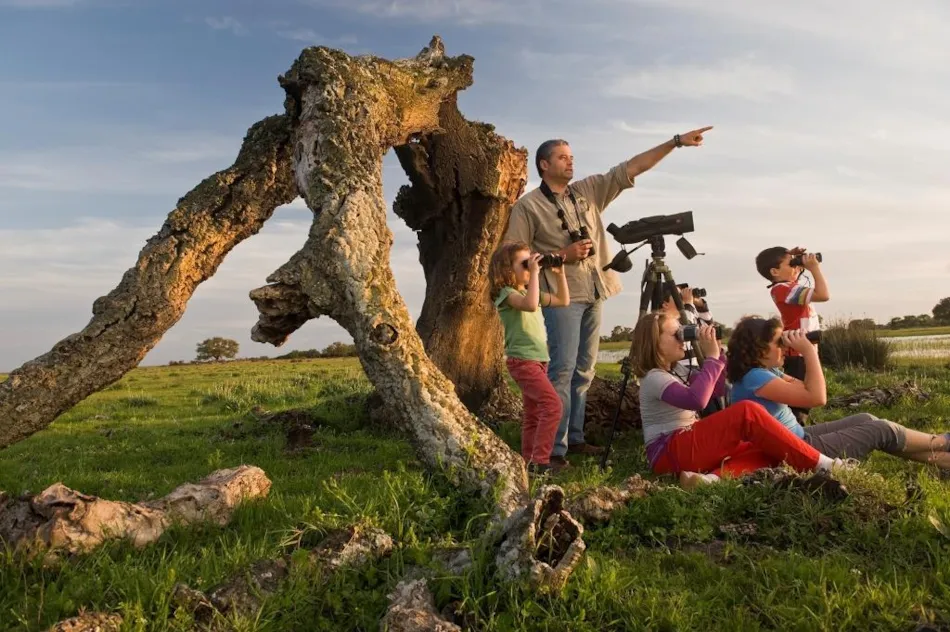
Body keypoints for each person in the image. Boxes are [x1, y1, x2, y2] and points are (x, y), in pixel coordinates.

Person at [504, 127, 714, 468]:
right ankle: (553, 451)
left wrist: (675, 143)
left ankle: (575, 438)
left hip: (597, 287)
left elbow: (631, 168)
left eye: (572, 157)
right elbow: (516, 256)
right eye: (562, 157)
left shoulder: (587, 190)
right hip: (562, 295)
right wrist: (562, 256)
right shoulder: (527, 207)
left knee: (585, 370)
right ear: (543, 164)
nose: (570, 162)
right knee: (562, 369)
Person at [632, 312, 847, 488]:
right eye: (676, 334)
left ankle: (710, 480)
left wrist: (723, 354)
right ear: (654, 342)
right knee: (746, 411)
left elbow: (715, 389)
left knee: (767, 447)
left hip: (684, 446)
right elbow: (697, 400)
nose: (683, 340)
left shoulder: (677, 370)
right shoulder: (653, 378)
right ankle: (824, 464)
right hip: (667, 451)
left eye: (683, 333)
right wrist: (712, 359)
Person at [728, 316, 950, 469]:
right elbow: (817, 398)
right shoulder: (755, 378)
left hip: (799, 438)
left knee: (866, 419)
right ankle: (943, 441)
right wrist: (808, 351)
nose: (785, 347)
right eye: (779, 342)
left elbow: (807, 387)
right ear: (759, 348)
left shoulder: (763, 372)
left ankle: (943, 461)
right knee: (880, 429)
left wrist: (804, 354)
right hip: (798, 451)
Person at [489, 241, 571, 474]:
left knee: (534, 413)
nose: (529, 269)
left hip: (539, 360)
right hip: (522, 361)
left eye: (530, 264)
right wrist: (535, 273)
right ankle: (540, 461)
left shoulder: (526, 291)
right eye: (525, 264)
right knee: (553, 405)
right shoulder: (507, 294)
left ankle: (528, 461)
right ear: (507, 269)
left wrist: (559, 273)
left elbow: (563, 301)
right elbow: (530, 305)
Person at [755, 246, 828, 424]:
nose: (796, 268)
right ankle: (795, 435)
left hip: (803, 349)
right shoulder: (782, 289)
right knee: (801, 401)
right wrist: (814, 268)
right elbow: (823, 295)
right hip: (798, 352)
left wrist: (795, 259)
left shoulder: (788, 287)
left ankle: (796, 431)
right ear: (774, 271)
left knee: (803, 399)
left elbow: (792, 271)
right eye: (791, 264)